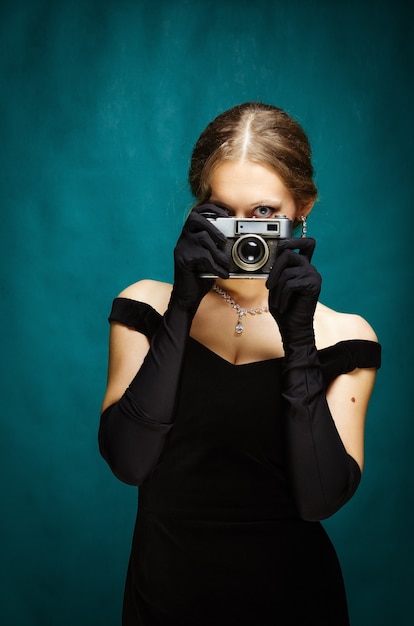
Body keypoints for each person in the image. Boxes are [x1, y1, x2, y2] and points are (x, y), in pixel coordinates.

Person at [99, 102, 381, 625]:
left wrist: (298, 339)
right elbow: (128, 462)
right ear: (195, 212)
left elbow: (320, 498)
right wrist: (183, 305)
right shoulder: (146, 306)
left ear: (303, 209)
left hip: (295, 603)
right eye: (220, 211)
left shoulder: (346, 336)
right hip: (162, 603)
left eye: (264, 214)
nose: (241, 234)